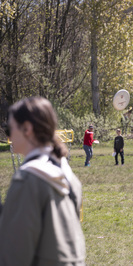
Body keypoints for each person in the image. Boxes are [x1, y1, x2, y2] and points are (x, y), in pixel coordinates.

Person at [0, 96, 85, 265]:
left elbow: (14, 254)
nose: (9, 136)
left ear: (27, 128)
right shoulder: (65, 171)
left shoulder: (28, 180)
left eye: (10, 129)